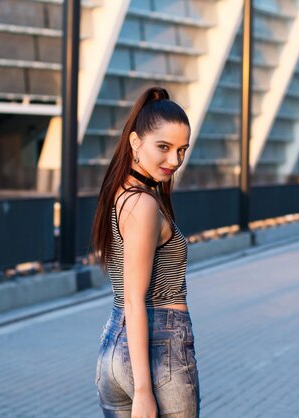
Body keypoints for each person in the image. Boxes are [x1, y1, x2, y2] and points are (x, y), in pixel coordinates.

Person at [92, 87, 199, 418]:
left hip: (114, 341)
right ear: (136, 142)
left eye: (182, 150)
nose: (174, 160)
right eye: (163, 148)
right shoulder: (143, 204)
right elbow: (135, 299)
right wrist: (143, 391)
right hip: (156, 348)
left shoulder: (120, 193)